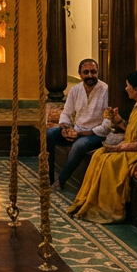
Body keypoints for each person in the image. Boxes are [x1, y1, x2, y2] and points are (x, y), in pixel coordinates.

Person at [67, 69, 137, 225]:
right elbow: (131, 129)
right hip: (132, 149)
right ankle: (88, 201)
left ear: (136, 89)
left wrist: (120, 148)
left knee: (109, 162)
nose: (126, 89)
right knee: (99, 155)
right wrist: (117, 121)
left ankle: (110, 208)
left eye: (128, 85)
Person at [45, 58, 112, 188]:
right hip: (77, 131)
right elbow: (66, 113)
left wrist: (82, 133)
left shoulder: (106, 90)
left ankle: (61, 181)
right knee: (49, 134)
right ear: (80, 74)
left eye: (93, 72)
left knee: (80, 145)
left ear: (98, 73)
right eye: (86, 72)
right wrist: (66, 128)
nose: (90, 75)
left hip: (96, 134)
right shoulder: (75, 90)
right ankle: (49, 177)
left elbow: (107, 124)